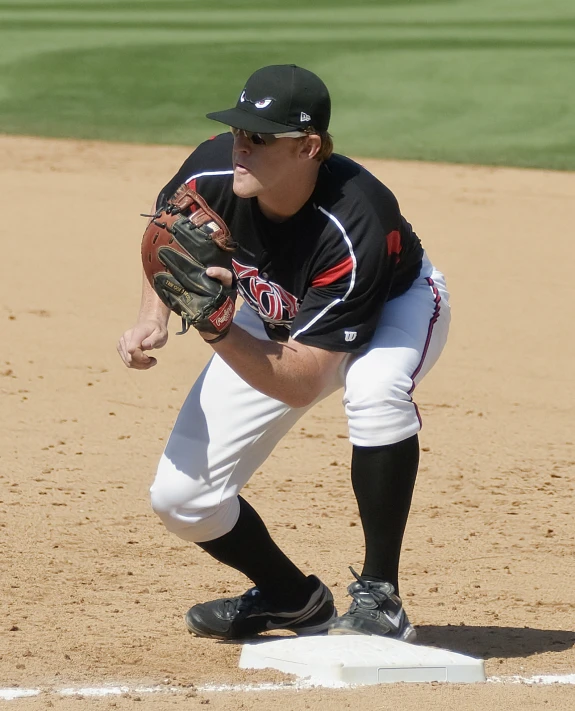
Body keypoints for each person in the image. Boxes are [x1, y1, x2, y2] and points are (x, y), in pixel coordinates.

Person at [117, 64, 450, 641]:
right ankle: (291, 598)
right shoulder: (212, 170)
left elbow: (303, 381)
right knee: (183, 501)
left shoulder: (356, 219)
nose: (239, 148)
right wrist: (155, 317)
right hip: (274, 311)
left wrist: (218, 328)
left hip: (391, 306)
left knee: (375, 391)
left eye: (260, 138)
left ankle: (380, 597)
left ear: (310, 147)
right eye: (239, 131)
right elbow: (164, 241)